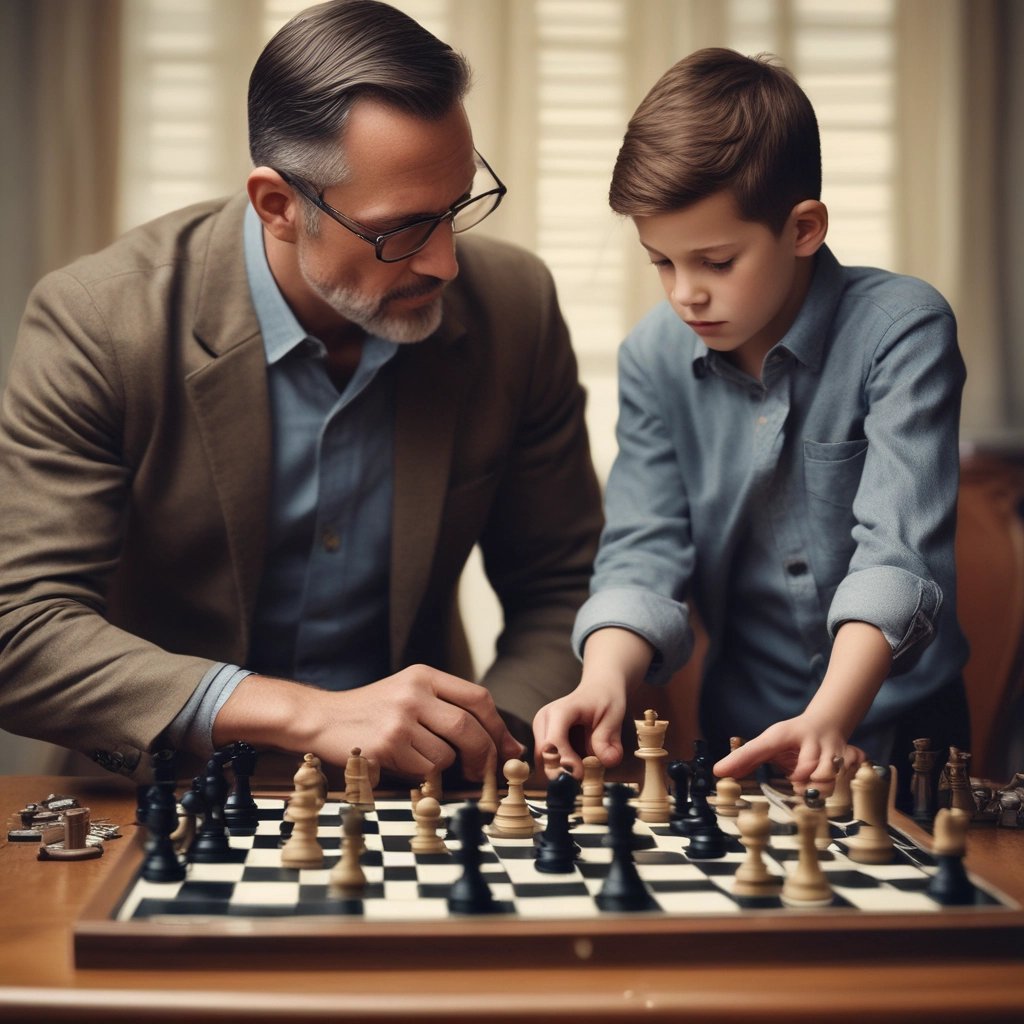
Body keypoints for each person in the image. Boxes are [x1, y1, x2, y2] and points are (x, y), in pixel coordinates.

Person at [0, 0, 602, 785]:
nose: (447, 264)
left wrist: (487, 743)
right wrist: (306, 713)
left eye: (458, 208)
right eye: (404, 229)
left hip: (417, 803)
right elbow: (20, 627)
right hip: (159, 799)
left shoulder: (514, 308)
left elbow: (565, 586)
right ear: (279, 207)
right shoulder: (100, 320)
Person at [532, 48, 970, 799]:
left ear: (803, 228)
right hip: (738, 737)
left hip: (908, 732)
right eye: (662, 264)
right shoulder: (651, 358)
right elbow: (643, 549)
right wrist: (604, 675)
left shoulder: (903, 328)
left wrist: (830, 717)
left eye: (716, 261)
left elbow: (898, 555)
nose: (685, 295)